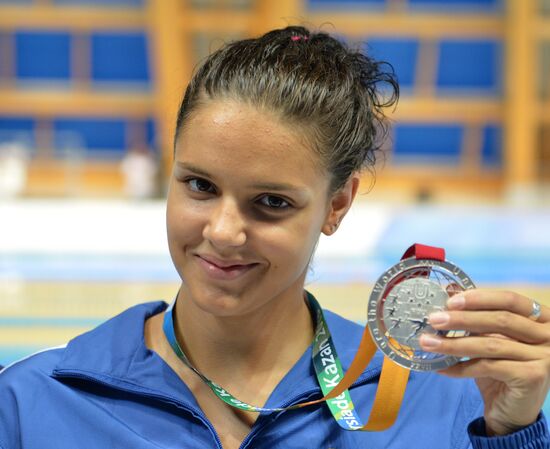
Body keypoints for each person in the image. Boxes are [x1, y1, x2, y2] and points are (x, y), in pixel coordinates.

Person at [0, 26, 549, 449]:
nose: (222, 231)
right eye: (199, 185)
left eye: (271, 203)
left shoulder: (441, 405)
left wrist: (514, 431)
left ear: (338, 204)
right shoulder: (35, 400)